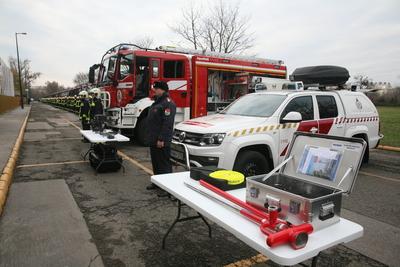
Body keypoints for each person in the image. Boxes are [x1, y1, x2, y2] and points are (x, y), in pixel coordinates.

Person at [146, 81, 176, 192]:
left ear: (162, 90)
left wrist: (161, 139)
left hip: (161, 140)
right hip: (153, 139)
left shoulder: (167, 103)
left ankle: (167, 188)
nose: (154, 90)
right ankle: (157, 183)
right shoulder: (157, 102)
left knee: (163, 163)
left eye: (156, 88)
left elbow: (167, 123)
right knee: (156, 162)